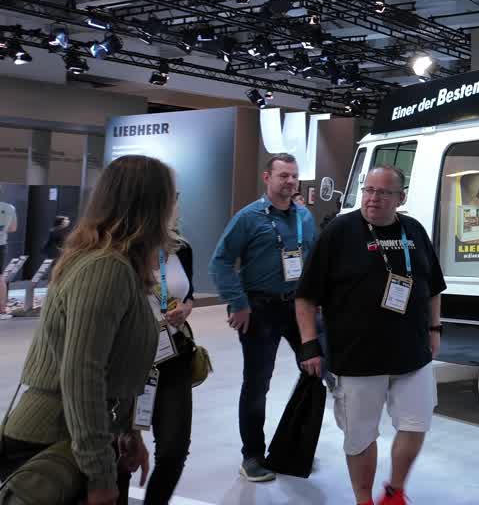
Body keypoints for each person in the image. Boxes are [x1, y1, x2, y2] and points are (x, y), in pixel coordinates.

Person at [0, 155, 175, 505]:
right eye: (171, 198)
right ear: (152, 205)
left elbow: (108, 368)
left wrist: (128, 432)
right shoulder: (105, 269)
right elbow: (82, 375)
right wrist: (99, 472)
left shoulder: (118, 265)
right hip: (55, 441)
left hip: (79, 437)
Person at [295, 166, 446, 505]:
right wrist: (309, 345)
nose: (373, 198)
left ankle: (394, 491)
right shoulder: (339, 232)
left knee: (416, 423)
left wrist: (435, 329)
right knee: (360, 436)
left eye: (384, 192)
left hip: (412, 352)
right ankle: (364, 500)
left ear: (400, 198)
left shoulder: (414, 231)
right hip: (357, 356)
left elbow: (433, 287)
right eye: (369, 190)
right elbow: (306, 296)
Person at [209, 153, 319, 483]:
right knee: (258, 384)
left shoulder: (305, 217)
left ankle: (291, 448)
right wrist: (238, 303)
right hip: (260, 309)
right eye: (283, 175)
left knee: (316, 368)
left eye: (294, 176)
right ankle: (252, 456)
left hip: (298, 307)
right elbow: (221, 263)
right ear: (267, 178)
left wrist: (318, 301)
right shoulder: (249, 218)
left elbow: (312, 262)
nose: (290, 181)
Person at [143, 236, 196, 504]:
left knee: (173, 449)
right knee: (118, 452)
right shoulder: (118, 248)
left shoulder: (181, 247)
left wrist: (185, 309)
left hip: (173, 351)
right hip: (130, 357)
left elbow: (189, 294)